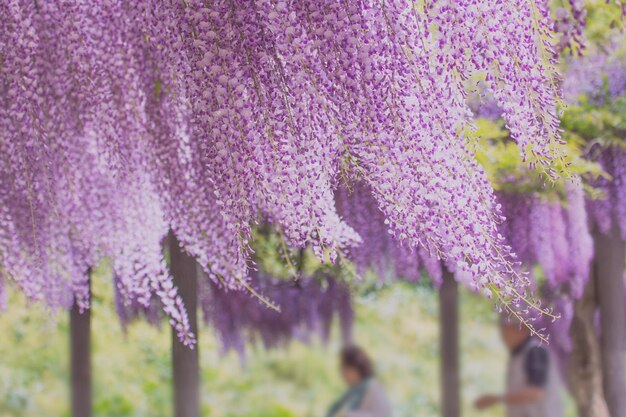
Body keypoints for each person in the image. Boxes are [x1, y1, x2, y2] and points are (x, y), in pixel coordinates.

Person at [474, 316, 564, 417]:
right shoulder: (517, 356)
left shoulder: (535, 351)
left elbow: (536, 393)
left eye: (507, 332)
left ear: (522, 330)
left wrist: (495, 399)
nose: (504, 338)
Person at [326, 345, 392, 417]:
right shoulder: (353, 392)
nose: (343, 373)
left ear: (356, 368)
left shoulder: (373, 388)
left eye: (346, 368)